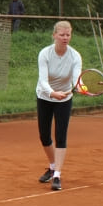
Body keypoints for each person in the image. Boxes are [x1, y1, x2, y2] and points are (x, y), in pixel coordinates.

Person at [35, 20, 82, 191]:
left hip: (64, 98)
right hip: (45, 96)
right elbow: (43, 79)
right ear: (54, 35)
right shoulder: (45, 54)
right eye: (61, 35)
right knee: (44, 136)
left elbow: (77, 79)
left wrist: (80, 87)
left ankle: (57, 175)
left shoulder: (75, 56)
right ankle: (53, 165)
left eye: (68, 35)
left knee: (61, 135)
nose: (65, 38)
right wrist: (52, 93)